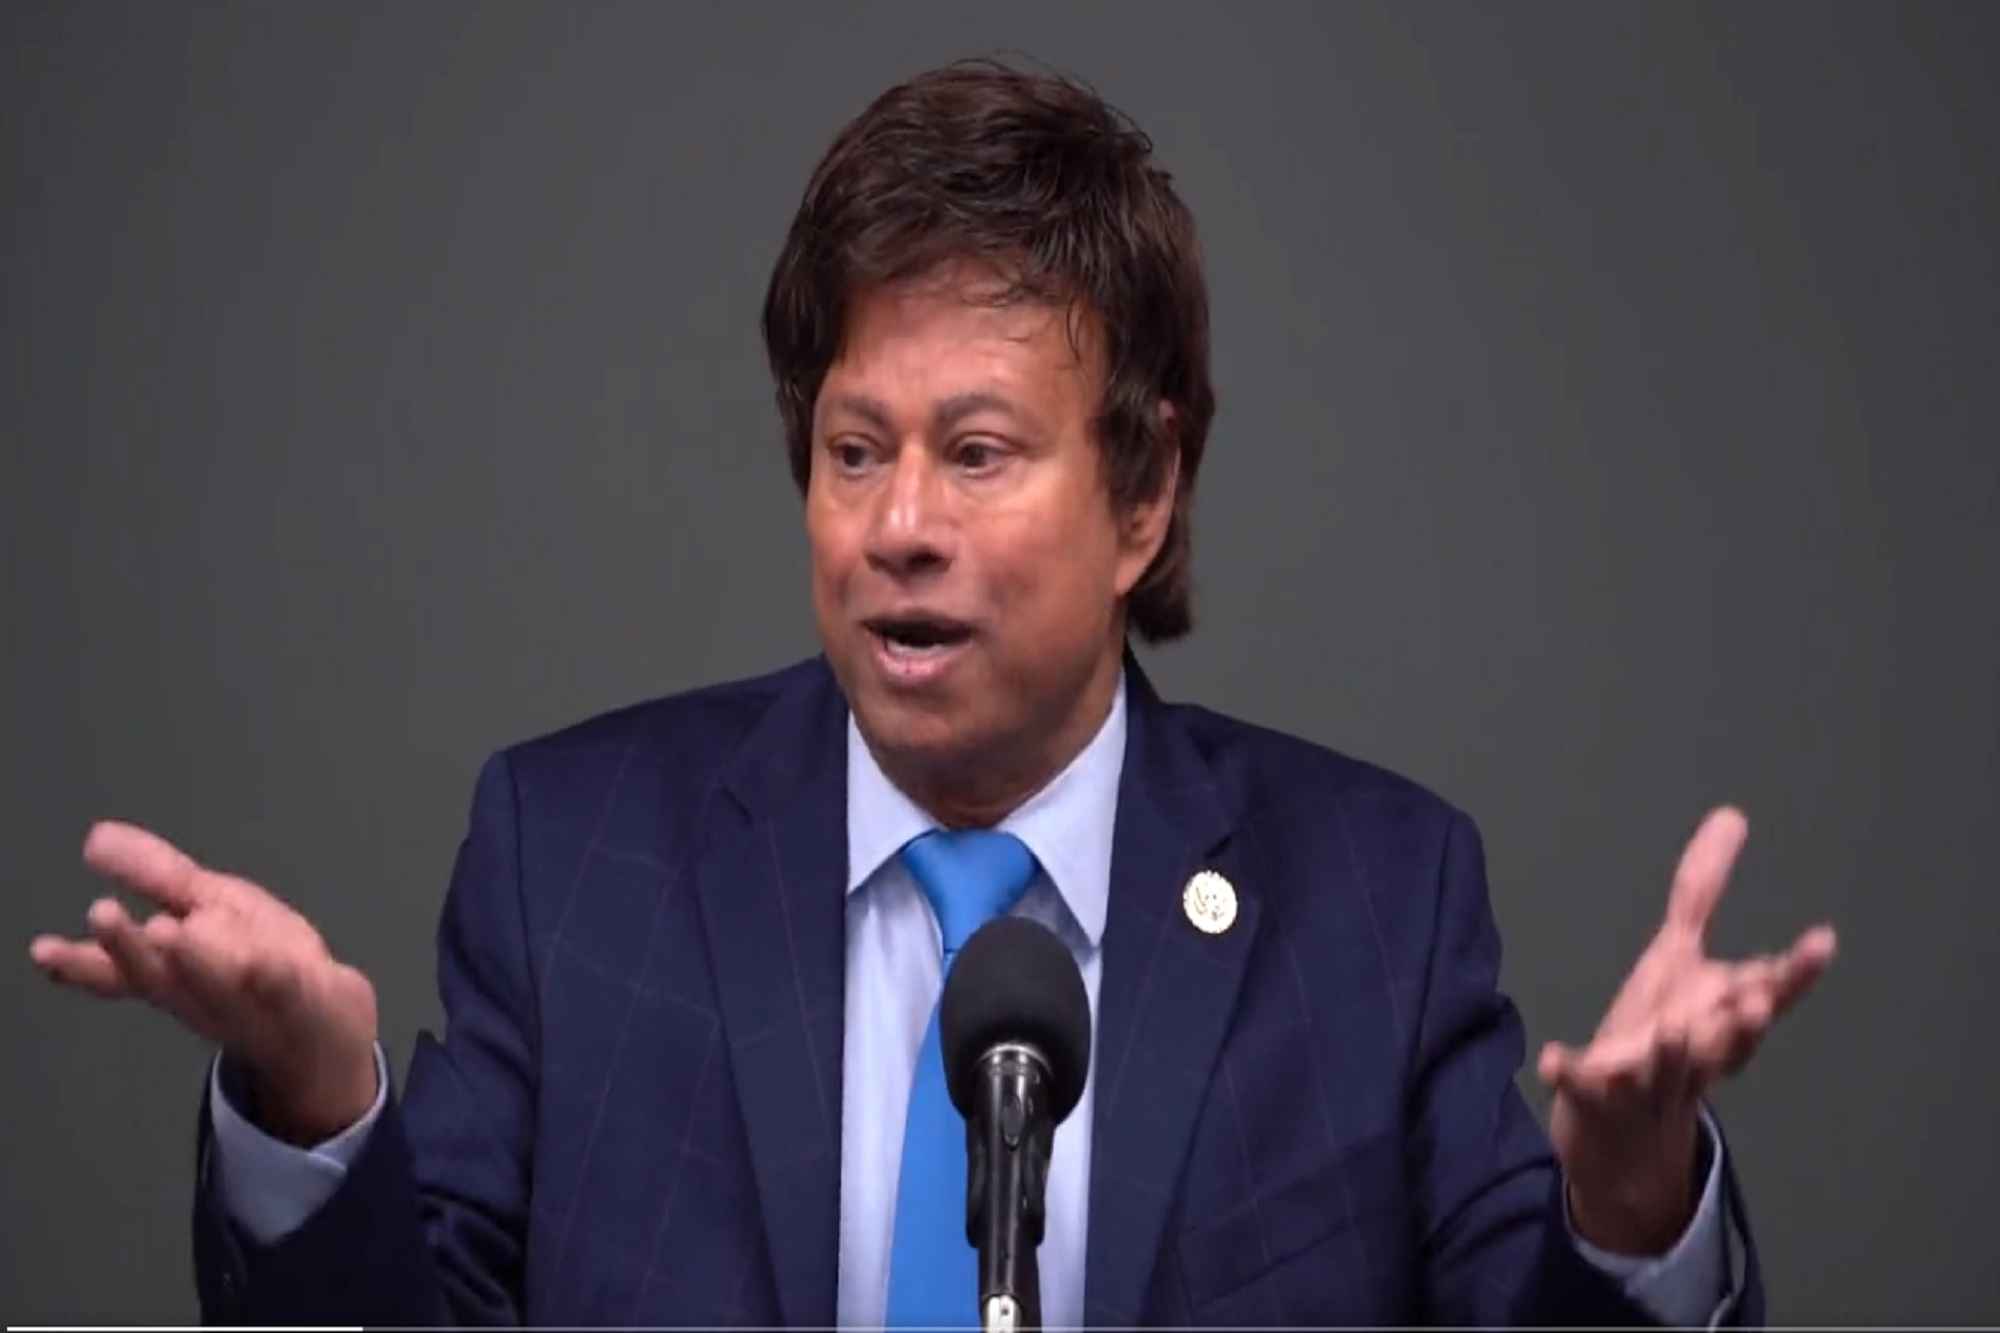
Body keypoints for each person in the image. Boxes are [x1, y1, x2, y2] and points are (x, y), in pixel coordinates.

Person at [29, 60, 1836, 1327]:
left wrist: (1634, 1199)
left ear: (1144, 494)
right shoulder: (572, 861)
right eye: (853, 449)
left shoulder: (1376, 899)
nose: (898, 526)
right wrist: (315, 1103)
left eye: (976, 452)